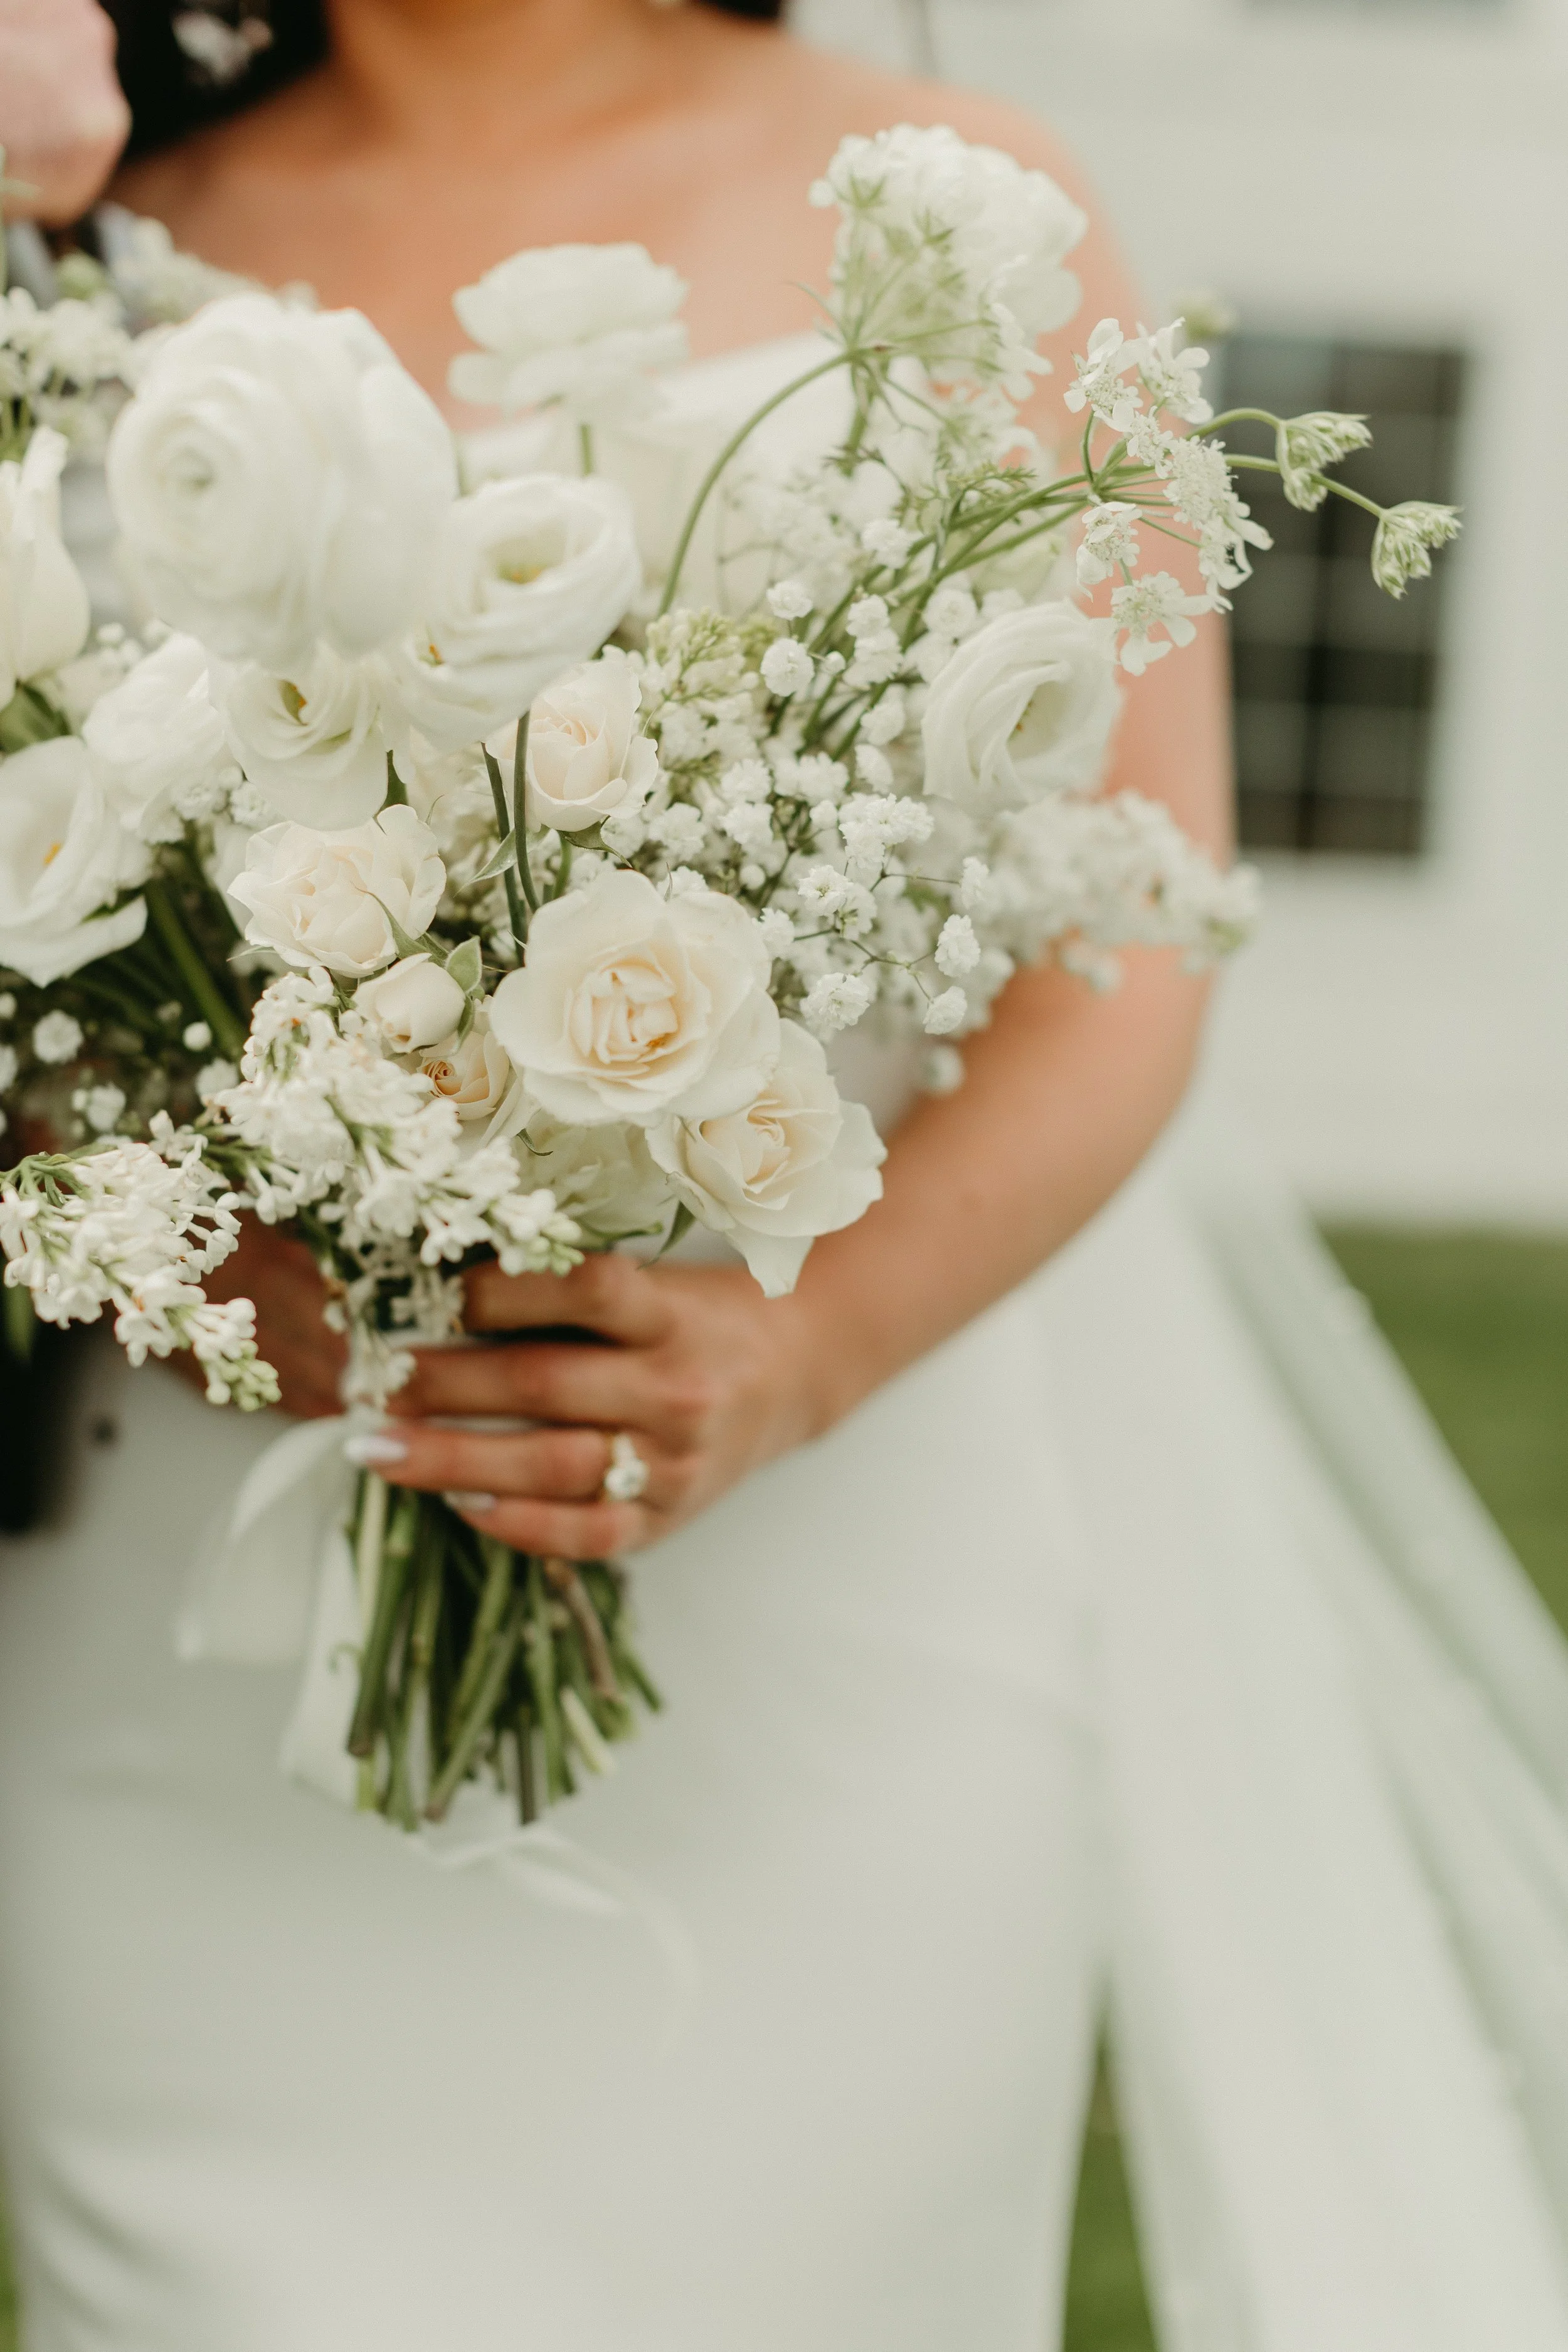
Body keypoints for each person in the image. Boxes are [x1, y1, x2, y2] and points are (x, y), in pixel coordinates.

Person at [3, 6, 1568, 2348]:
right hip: (194, 1661)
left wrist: (796, 1345)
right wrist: (172, 1226)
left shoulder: (964, 203)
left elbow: (1132, 942)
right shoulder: (80, 248)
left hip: (840, 1618)